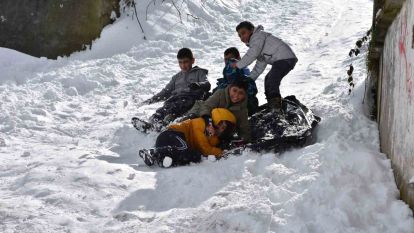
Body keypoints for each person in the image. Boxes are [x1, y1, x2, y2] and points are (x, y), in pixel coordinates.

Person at [231, 21, 298, 113]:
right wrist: (249, 79)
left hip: (285, 58)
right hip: (282, 60)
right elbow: (259, 66)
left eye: (243, 33)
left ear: (251, 30)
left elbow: (252, 54)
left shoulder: (258, 37)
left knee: (272, 78)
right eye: (239, 36)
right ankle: (272, 101)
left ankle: (276, 105)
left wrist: (238, 65)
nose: (242, 37)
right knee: (268, 79)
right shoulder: (258, 45)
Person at [139, 108, 236, 168]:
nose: (220, 130)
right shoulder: (201, 123)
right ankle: (153, 152)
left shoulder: (213, 137)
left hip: (173, 146)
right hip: (171, 135)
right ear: (215, 120)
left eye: (224, 129)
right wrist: (222, 152)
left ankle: (164, 160)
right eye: (220, 125)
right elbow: (205, 148)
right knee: (184, 149)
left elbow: (207, 148)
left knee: (195, 156)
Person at [140, 48, 211, 127]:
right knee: (162, 110)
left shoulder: (199, 72)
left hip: (190, 98)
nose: (183, 65)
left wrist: (198, 85)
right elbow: (166, 92)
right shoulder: (176, 77)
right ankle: (152, 124)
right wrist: (151, 100)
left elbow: (207, 84)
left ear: (192, 61)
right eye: (180, 62)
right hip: (174, 100)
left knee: (175, 106)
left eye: (186, 62)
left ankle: (166, 123)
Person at [184, 79, 251, 143]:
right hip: (205, 117)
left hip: (219, 131)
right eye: (234, 90)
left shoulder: (242, 109)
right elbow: (207, 107)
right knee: (193, 118)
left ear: (245, 95)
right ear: (230, 88)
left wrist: (243, 141)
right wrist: (208, 123)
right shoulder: (220, 94)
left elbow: (244, 129)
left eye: (241, 93)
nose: (236, 95)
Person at [213, 47, 259, 115]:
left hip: (241, 110)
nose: (228, 62)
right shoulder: (224, 80)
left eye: (231, 59)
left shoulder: (246, 77)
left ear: (239, 59)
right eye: (226, 59)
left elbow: (251, 93)